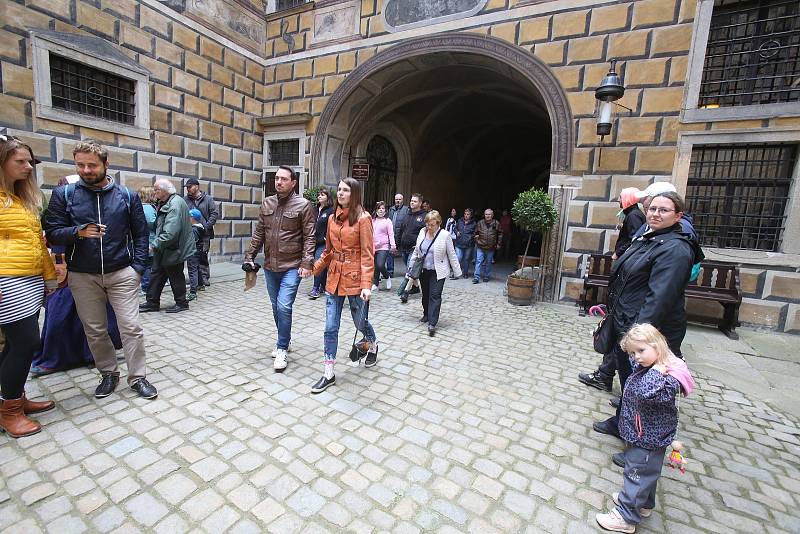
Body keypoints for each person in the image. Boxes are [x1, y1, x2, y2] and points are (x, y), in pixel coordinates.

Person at [45, 139, 157, 400]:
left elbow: (141, 234)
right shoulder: (65, 194)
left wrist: (137, 268)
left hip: (121, 273)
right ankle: (108, 373)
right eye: (80, 165)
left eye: (92, 165)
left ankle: (138, 376)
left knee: (131, 327)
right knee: (94, 329)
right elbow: (52, 231)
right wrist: (78, 232)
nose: (86, 170)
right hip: (83, 275)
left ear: (106, 165)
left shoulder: (126, 196)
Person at [591, 191, 702, 449]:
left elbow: (659, 296)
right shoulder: (649, 237)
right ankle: (622, 424)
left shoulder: (675, 248)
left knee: (645, 387)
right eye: (652, 208)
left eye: (663, 210)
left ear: (678, 216)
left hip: (647, 331)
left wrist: (639, 339)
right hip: (627, 321)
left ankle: (641, 448)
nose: (655, 213)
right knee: (629, 380)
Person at [595, 323, 694, 533]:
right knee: (648, 472)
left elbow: (645, 392)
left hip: (648, 437)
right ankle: (645, 505)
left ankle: (627, 515)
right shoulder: (649, 366)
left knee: (637, 474)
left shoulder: (664, 378)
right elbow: (635, 363)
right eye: (633, 352)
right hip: (641, 434)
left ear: (658, 347)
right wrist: (630, 347)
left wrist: (657, 372)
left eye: (641, 351)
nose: (636, 357)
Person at [31, 177, 123, 377]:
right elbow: (53, 234)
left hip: (90, 270)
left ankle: (92, 354)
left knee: (95, 319)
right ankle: (55, 358)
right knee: (59, 315)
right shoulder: (58, 204)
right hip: (64, 268)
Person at [0, 135, 57, 438]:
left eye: (29, 162)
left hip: (29, 277)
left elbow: (37, 242)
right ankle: (9, 412)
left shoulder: (22, 198)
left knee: (15, 343)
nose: (28, 167)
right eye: (19, 161)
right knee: (26, 343)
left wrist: (48, 276)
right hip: (6, 279)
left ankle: (15, 399)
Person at [243, 166, 315, 372]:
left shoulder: (304, 205)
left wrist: (307, 262)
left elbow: (310, 237)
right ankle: (286, 339)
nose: (279, 182)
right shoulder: (267, 203)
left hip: (292, 266)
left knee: (284, 306)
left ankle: (281, 347)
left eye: (284, 179)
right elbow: (259, 234)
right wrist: (249, 256)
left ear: (294, 183)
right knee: (276, 307)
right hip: (270, 266)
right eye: (276, 178)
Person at [310, 178, 377, 393]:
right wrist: (313, 269)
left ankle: (372, 344)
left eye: (345, 190)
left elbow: (368, 255)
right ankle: (328, 372)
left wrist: (367, 284)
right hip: (334, 279)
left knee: (360, 322)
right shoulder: (331, 219)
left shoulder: (364, 219)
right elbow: (328, 251)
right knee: (330, 327)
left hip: (356, 281)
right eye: (339, 190)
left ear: (354, 193)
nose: (340, 193)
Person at [578, 188, 646, 392]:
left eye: (620, 197)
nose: (617, 200)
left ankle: (609, 377)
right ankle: (605, 375)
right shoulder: (632, 214)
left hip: (629, 294)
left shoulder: (634, 215)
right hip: (625, 289)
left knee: (620, 337)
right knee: (618, 337)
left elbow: (634, 243)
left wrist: (619, 254)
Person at [139, 179, 195, 314]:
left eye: (156, 189)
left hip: (172, 248)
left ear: (164, 191)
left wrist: (154, 245)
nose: (154, 191)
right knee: (157, 274)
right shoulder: (166, 201)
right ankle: (152, 302)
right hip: (166, 248)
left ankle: (182, 303)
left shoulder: (174, 204)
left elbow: (171, 231)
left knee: (175, 275)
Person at [406, 210, 462, 336]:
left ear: (439, 223)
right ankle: (426, 314)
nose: (429, 227)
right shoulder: (422, 232)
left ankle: (432, 322)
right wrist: (411, 267)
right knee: (425, 294)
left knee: (435, 295)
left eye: (432, 225)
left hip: (438, 271)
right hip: (424, 270)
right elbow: (417, 250)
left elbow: (451, 254)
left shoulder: (445, 235)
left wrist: (457, 271)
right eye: (428, 224)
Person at [184, 177, 219, 287]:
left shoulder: (208, 199)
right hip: (190, 232)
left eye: (190, 187)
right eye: (187, 187)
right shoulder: (185, 200)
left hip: (204, 233)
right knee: (192, 255)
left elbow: (214, 213)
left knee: (203, 254)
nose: (188, 189)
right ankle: (195, 278)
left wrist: (207, 226)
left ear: (197, 186)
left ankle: (204, 277)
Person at [398, 193, 427, 300]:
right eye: (411, 201)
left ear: (420, 203)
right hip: (404, 247)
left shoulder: (424, 216)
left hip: (415, 249)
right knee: (409, 268)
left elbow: (427, 233)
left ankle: (405, 291)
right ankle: (416, 287)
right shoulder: (407, 214)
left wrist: (421, 245)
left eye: (414, 201)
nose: (412, 203)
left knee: (410, 269)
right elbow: (402, 230)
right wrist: (398, 243)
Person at [308, 187, 333, 300]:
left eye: (322, 195)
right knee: (320, 265)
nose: (319, 196)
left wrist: (327, 237)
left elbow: (333, 226)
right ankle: (323, 285)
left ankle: (315, 288)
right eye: (319, 194)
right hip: (313, 241)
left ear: (327, 197)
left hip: (324, 242)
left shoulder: (330, 211)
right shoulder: (314, 209)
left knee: (318, 262)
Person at [473, 208, 502, 283]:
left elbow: (500, 234)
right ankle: (476, 277)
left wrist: (498, 243)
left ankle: (486, 276)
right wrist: (476, 240)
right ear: (484, 215)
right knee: (478, 261)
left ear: (492, 215)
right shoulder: (480, 223)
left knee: (488, 262)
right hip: (480, 245)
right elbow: (475, 232)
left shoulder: (496, 223)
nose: (487, 216)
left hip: (490, 247)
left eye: (489, 214)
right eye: (486, 214)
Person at [372, 201, 395, 291]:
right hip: (373, 246)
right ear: (376, 210)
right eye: (379, 208)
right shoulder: (372, 220)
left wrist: (393, 245)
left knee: (380, 265)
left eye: (383, 208)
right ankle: (375, 283)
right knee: (375, 266)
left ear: (385, 211)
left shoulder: (387, 221)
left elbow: (391, 234)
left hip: (383, 247)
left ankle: (387, 276)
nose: (381, 210)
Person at [138, 185, 157, 295]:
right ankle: (147, 288)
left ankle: (146, 286)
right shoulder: (148, 208)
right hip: (150, 241)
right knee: (149, 266)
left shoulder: (140, 207)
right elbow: (152, 222)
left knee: (145, 265)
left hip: (144, 241)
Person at [387, 193, 409, 278]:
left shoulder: (406, 209)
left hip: (402, 235)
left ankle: (408, 271)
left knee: (404, 254)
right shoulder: (391, 209)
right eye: (396, 199)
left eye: (399, 199)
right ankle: (390, 272)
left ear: (402, 200)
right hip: (392, 235)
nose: (398, 201)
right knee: (390, 253)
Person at [187, 208, 206, 301]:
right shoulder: (200, 227)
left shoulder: (194, 230)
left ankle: (193, 292)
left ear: (192, 218)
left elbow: (192, 241)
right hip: (199, 251)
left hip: (193, 252)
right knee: (197, 268)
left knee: (192, 270)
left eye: (189, 216)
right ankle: (201, 285)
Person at [454, 208, 477, 279]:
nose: (466, 215)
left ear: (471, 215)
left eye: (468, 214)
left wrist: (471, 236)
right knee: (458, 258)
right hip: (459, 243)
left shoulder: (474, 223)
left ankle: (465, 273)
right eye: (465, 214)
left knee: (466, 259)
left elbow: (476, 233)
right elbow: (455, 228)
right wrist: (456, 232)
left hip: (469, 244)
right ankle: (456, 274)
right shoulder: (460, 221)